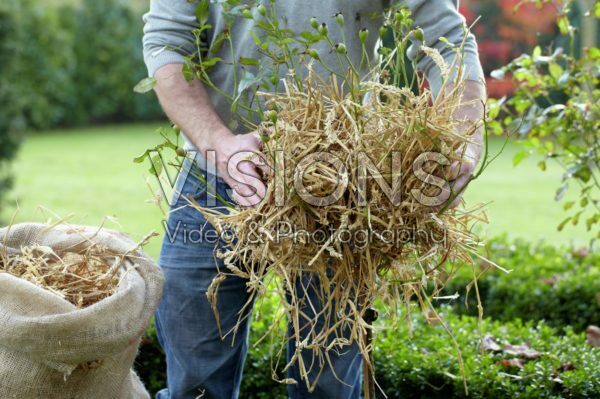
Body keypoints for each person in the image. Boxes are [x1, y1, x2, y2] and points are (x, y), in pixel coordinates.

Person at [142, 1, 486, 398]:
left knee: (327, 384)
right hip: (216, 173)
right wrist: (221, 146)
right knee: (194, 384)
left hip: (341, 184)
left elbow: (448, 41)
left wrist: (463, 145)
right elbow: (168, 42)